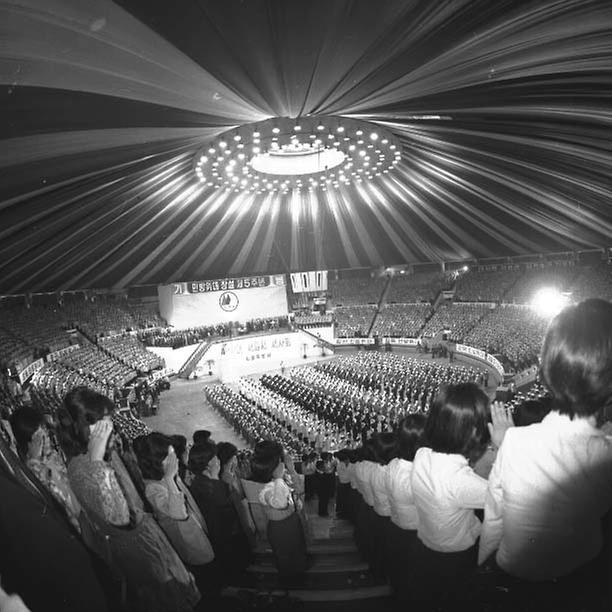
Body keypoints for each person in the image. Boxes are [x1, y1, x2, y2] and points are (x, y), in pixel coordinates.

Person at [479, 299, 612, 608]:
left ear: (546, 369)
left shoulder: (514, 443)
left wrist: (483, 564)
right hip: (585, 580)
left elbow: (494, 521)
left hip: (514, 581)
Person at [58, 387, 199, 612]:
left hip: (147, 535)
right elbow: (121, 518)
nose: (111, 429)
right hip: (137, 552)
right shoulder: (82, 468)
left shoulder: (106, 453)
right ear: (86, 428)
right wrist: (97, 461)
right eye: (104, 423)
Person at [410, 382, 501, 608]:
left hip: (426, 547)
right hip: (456, 558)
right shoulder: (460, 482)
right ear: (472, 432)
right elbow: (510, 495)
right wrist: (504, 446)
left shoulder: (422, 455)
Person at [133, 433, 215, 597]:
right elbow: (179, 513)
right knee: (205, 579)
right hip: (188, 544)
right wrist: (170, 478)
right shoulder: (154, 488)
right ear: (157, 462)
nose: (175, 460)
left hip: (196, 530)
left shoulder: (168, 477)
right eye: (169, 457)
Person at [188, 440, 251, 584]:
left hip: (220, 538)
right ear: (209, 463)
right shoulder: (215, 488)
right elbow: (231, 519)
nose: (218, 460)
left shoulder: (201, 482)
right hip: (228, 541)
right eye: (215, 457)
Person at [250, 440, 308, 582]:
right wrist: (278, 478)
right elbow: (281, 503)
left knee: (298, 549)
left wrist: (291, 469)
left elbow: (300, 489)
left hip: (292, 521)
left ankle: (300, 574)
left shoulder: (280, 478)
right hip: (280, 527)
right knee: (285, 556)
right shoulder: (265, 488)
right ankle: (290, 581)